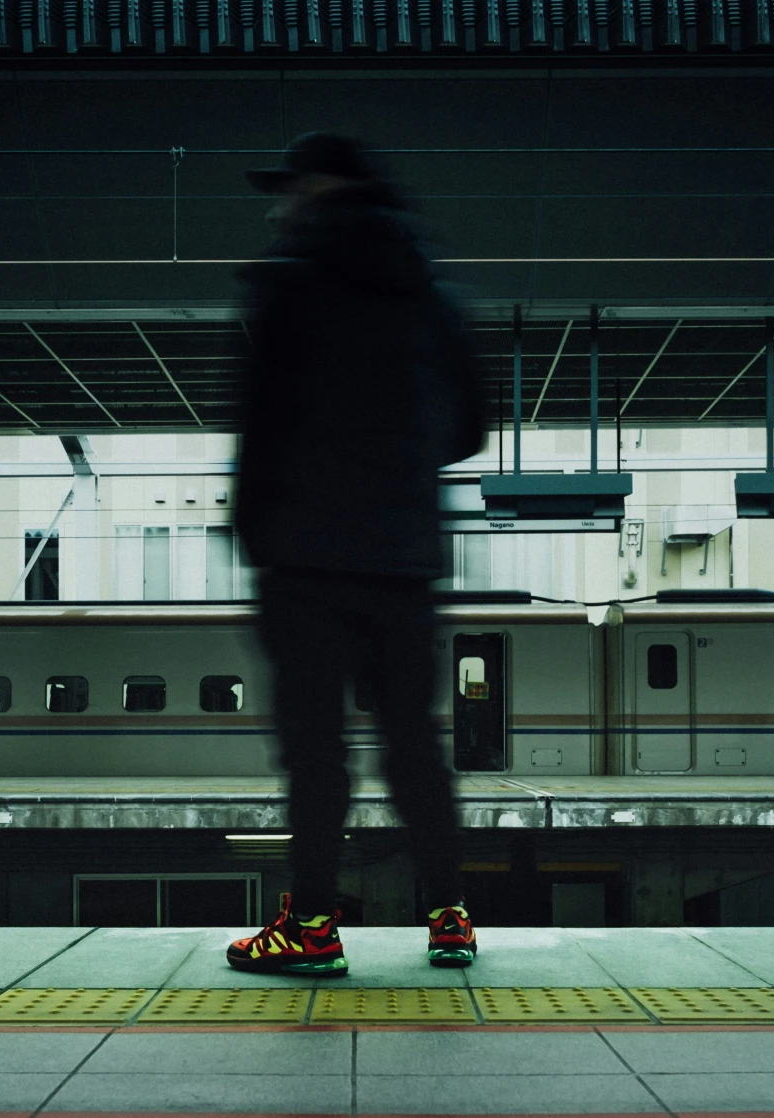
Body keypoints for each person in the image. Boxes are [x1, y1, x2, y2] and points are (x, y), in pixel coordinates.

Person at [224, 132, 486, 978]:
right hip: (403, 557)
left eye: (291, 185)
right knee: (413, 745)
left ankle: (309, 929)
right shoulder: (435, 300)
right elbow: (472, 426)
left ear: (322, 187)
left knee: (315, 750)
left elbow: (259, 423)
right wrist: (398, 462)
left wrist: (255, 522)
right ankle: (449, 916)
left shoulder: (285, 289)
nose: (280, 202)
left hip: (303, 555)